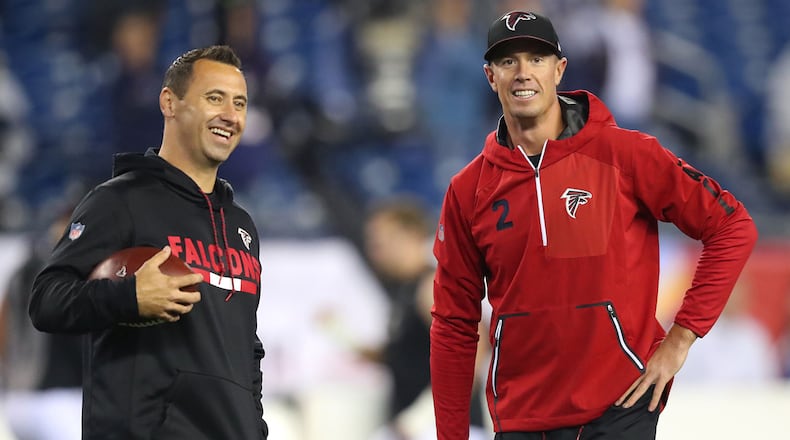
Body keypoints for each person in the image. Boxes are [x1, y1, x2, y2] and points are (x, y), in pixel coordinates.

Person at [429, 11, 758, 440]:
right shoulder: (469, 189)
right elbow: (453, 322)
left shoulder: (624, 154)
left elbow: (732, 226)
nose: (523, 72)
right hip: (521, 417)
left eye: (536, 58)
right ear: (491, 76)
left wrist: (680, 340)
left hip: (620, 407)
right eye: (508, 61)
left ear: (559, 69)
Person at [29, 45, 268, 440]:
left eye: (239, 103)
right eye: (215, 98)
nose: (231, 115)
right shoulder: (120, 201)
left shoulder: (242, 228)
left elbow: (248, 350)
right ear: (170, 103)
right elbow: (46, 300)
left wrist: (254, 429)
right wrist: (128, 297)